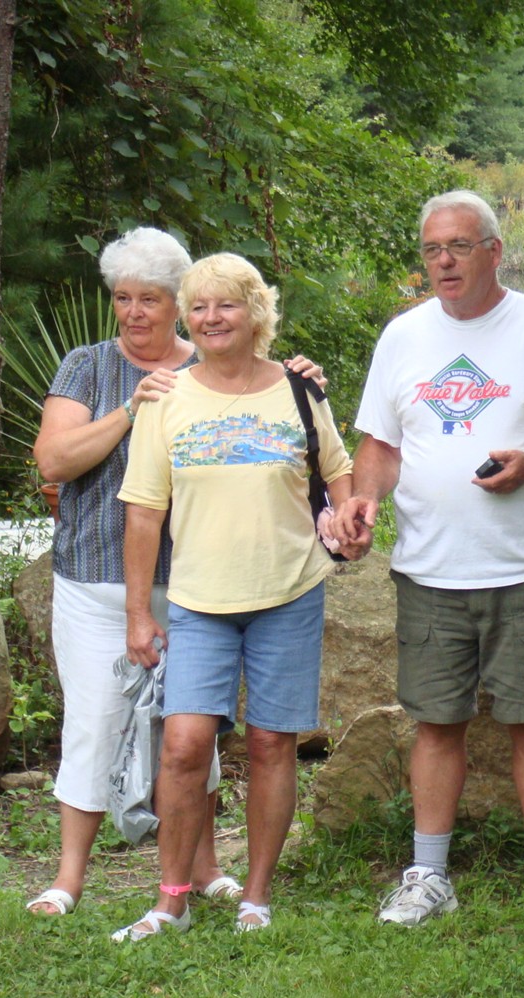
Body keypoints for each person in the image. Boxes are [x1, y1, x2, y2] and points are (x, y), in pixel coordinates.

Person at [332, 190, 524, 931]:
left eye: (459, 246)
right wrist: (364, 500)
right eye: (432, 250)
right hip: (429, 570)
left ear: (495, 251)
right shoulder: (403, 336)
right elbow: (380, 446)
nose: (444, 261)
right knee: (435, 724)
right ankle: (428, 875)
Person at [26, 227, 322, 917]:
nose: (135, 312)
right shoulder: (88, 367)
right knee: (96, 722)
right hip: (97, 577)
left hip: (197, 582)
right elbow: (54, 461)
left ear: (178, 305)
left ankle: (204, 868)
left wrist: (303, 380)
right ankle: (69, 877)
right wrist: (133, 409)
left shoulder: (210, 362)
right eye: (123, 298)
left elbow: (279, 418)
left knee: (194, 738)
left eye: (151, 299)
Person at [112, 253, 355, 940]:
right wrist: (138, 612)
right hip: (198, 601)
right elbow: (144, 513)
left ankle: (256, 895)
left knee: (273, 743)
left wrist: (348, 517)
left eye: (227, 305)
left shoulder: (301, 389)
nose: (212, 318)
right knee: (184, 746)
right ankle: (172, 900)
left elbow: (338, 471)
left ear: (256, 314)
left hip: (289, 591)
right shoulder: (166, 398)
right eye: (199, 307)